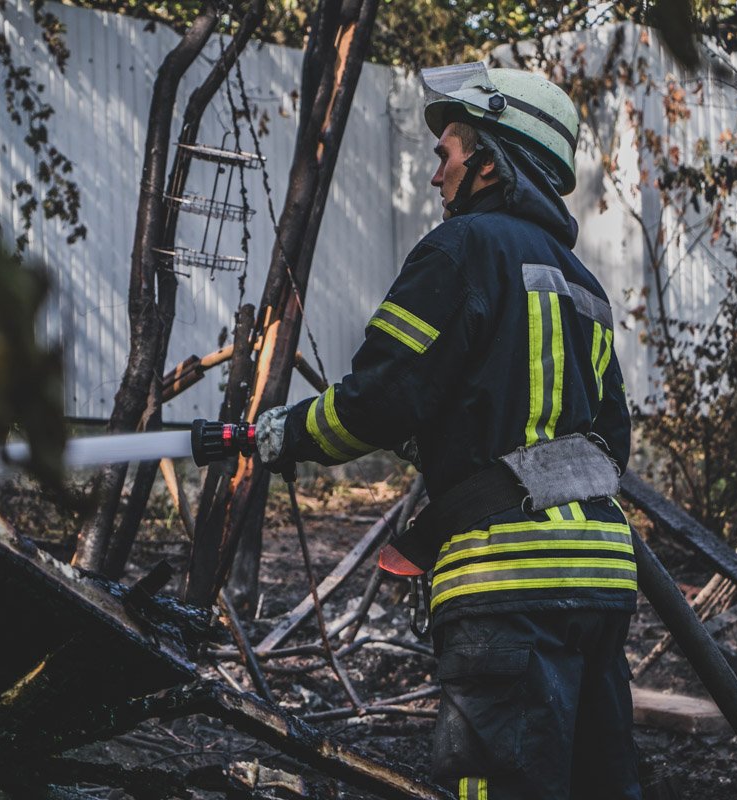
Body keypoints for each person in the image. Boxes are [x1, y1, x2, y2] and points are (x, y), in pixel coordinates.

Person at [254, 62, 642, 799]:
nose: (437, 176)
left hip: (506, 583)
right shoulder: (583, 286)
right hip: (602, 581)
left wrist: (285, 435)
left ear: (490, 161)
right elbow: (609, 445)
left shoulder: (460, 250)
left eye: (448, 153)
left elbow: (377, 401)